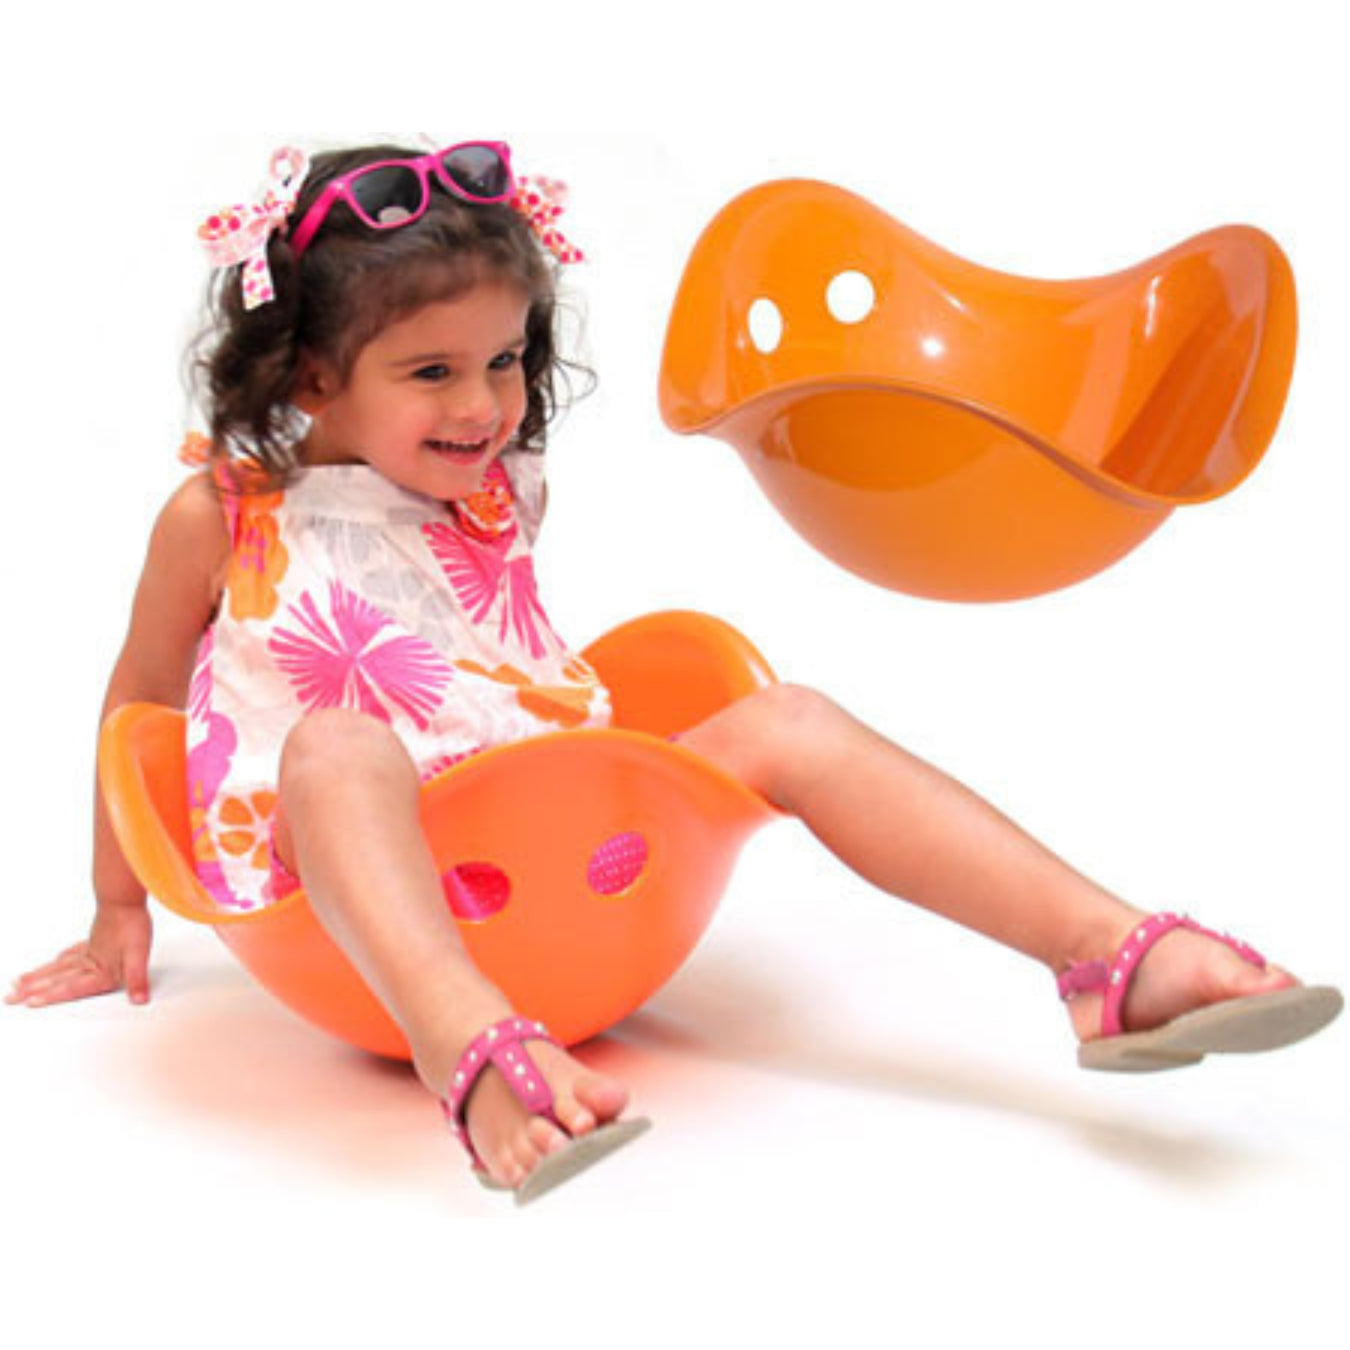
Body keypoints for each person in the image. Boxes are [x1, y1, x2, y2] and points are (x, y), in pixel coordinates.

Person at [7, 140, 1341, 1204]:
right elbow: (143, 702)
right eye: (432, 371)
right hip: (347, 895)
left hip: (552, 858)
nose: (483, 405)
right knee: (339, 742)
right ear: (309, 374)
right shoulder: (223, 514)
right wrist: (119, 904)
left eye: (505, 359)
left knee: (788, 718)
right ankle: (465, 1042)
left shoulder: (494, 487)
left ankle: (1104, 957)